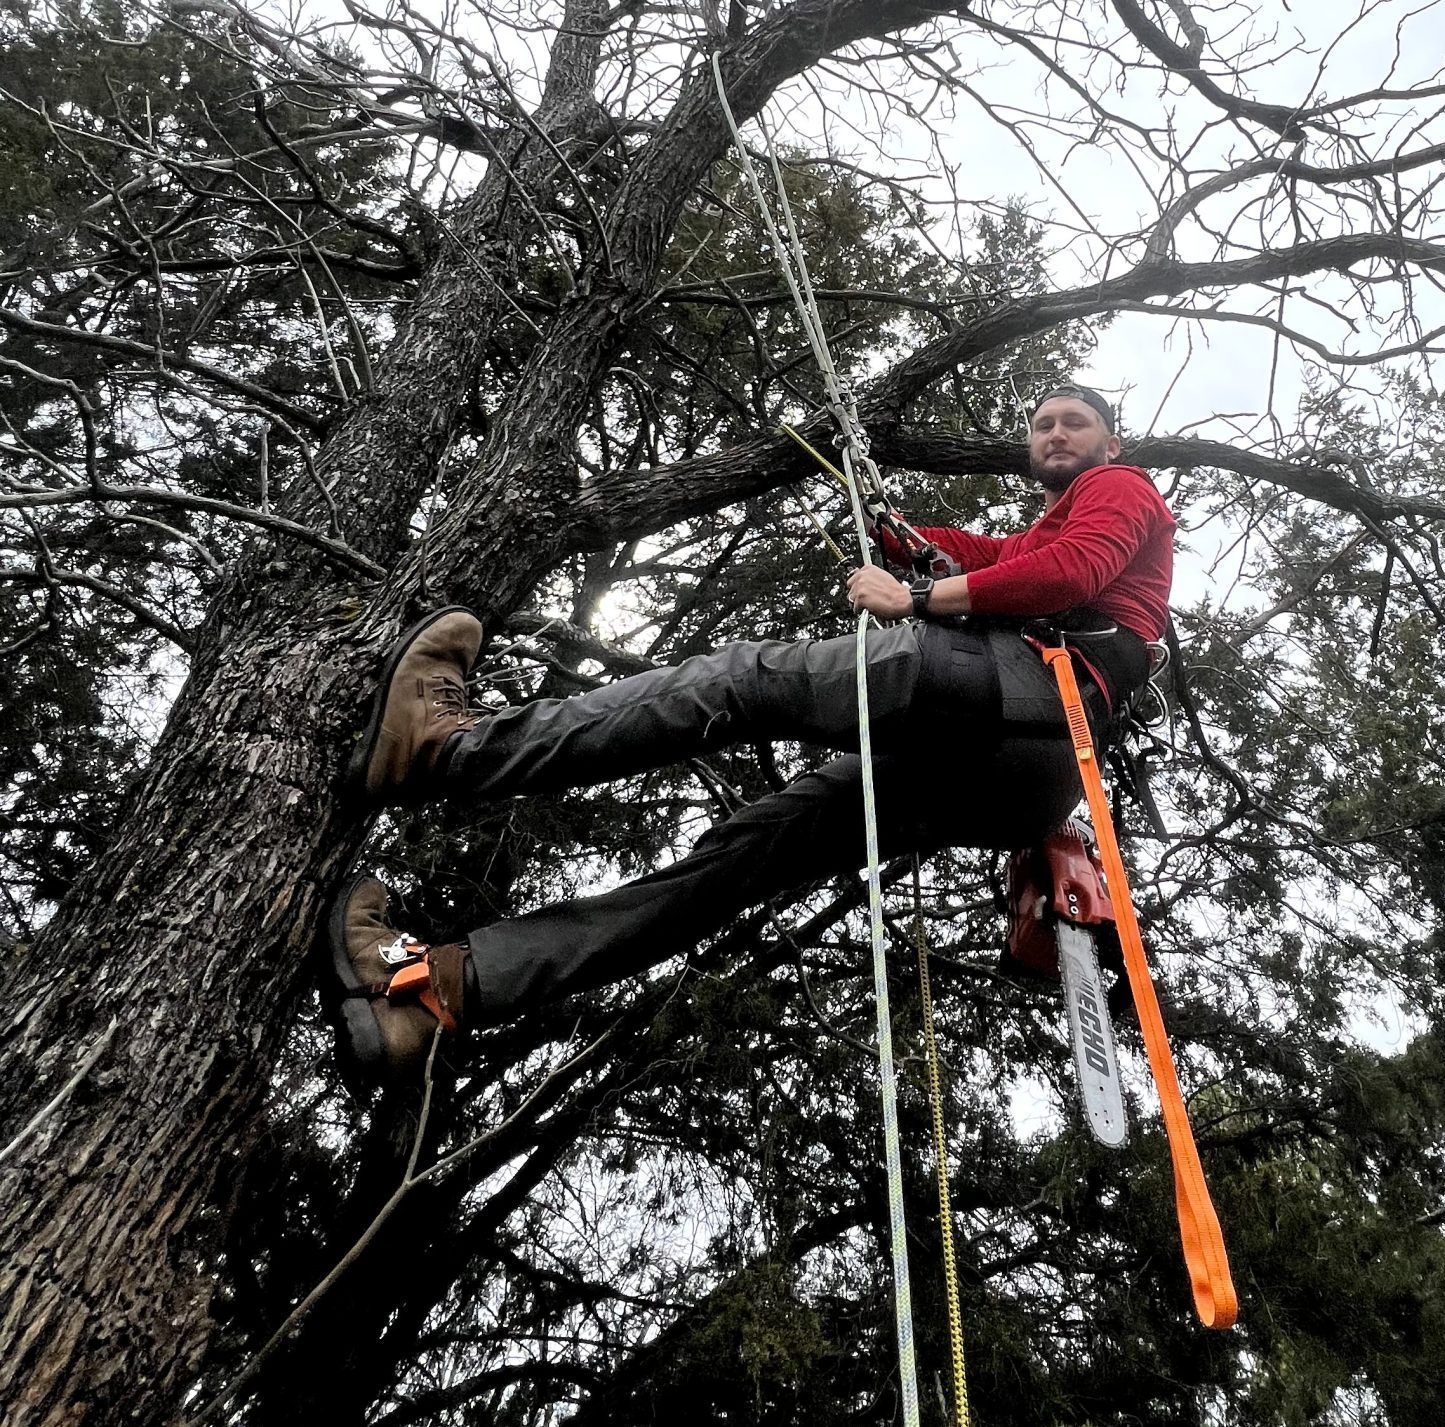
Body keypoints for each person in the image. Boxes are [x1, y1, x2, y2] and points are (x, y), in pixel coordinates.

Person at [323, 387, 1175, 1082]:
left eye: (1076, 421)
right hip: (1022, 777)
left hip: (1011, 696)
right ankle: (434, 994)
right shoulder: (1051, 523)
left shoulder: (1122, 488)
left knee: (743, 681)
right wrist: (898, 531)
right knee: (742, 856)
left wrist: (915, 601)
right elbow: (988, 552)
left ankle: (446, 747)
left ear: (1109, 441)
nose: (1054, 431)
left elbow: (1069, 571)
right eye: (1041, 422)